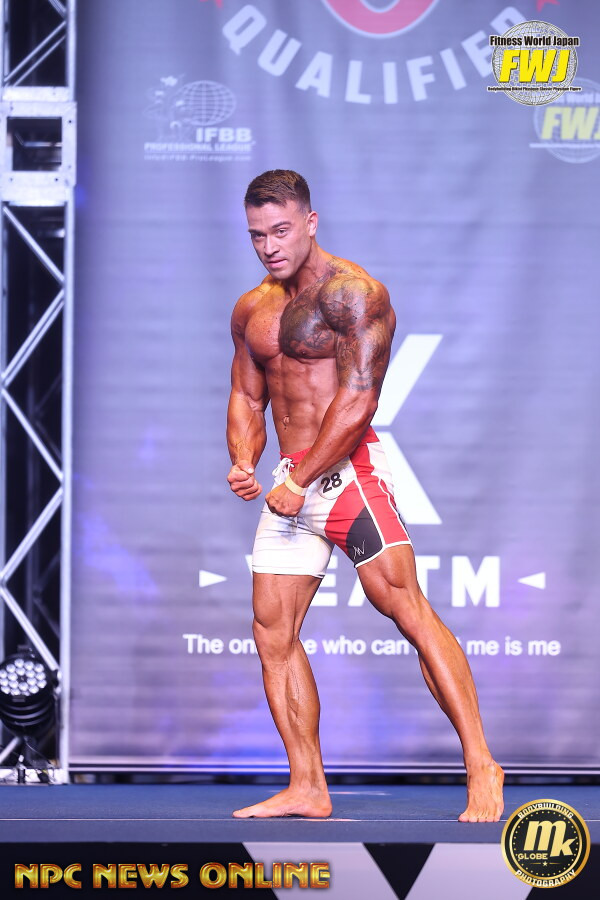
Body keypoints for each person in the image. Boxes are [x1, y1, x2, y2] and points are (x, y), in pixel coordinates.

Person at [226, 169, 504, 822]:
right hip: (289, 482)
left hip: (346, 475)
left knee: (405, 608)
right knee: (272, 632)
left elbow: (358, 402)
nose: (269, 246)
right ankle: (307, 785)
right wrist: (243, 459)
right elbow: (246, 394)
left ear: (311, 222)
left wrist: (300, 481)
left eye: (281, 231)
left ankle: (481, 764)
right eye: (257, 235)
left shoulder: (354, 294)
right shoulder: (252, 309)